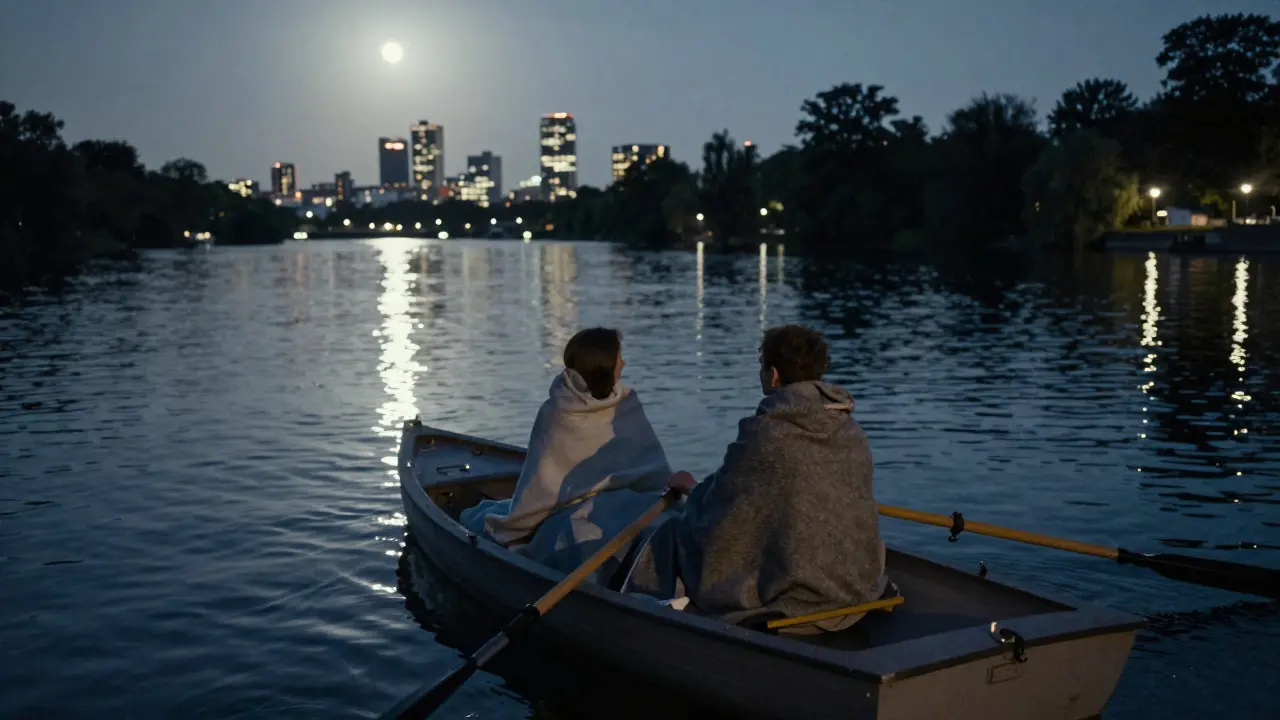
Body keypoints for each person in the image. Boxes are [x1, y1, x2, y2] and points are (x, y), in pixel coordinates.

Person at [623, 324, 889, 633]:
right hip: (858, 583)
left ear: (773, 375)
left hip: (801, 594)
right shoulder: (850, 429)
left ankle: (640, 618)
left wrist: (693, 492)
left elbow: (723, 512)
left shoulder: (766, 434)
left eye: (761, 366)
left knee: (674, 535)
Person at [460, 327, 672, 582]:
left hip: (628, 503)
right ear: (604, 366)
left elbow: (649, 472)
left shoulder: (625, 403)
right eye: (619, 359)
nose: (624, 364)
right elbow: (544, 485)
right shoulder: (558, 413)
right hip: (574, 511)